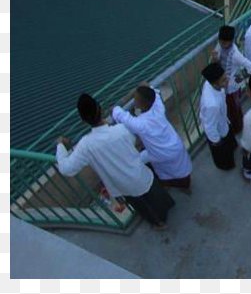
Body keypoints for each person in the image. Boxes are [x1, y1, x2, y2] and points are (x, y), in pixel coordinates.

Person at [56, 94, 175, 229]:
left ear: (84, 121)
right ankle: (167, 206)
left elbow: (66, 168)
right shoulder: (121, 130)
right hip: (141, 174)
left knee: (144, 207)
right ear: (100, 109)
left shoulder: (85, 145)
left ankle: (159, 224)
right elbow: (133, 141)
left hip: (122, 186)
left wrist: (60, 145)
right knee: (156, 194)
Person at [112, 85, 193, 192]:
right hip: (175, 147)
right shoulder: (159, 108)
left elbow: (118, 113)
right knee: (181, 170)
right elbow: (154, 92)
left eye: (135, 99)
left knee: (135, 162)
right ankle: (185, 187)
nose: (134, 101)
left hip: (159, 154)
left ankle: (161, 185)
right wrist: (144, 88)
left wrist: (128, 96)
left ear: (142, 104)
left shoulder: (140, 124)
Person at [214, 24, 251, 135]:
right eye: (221, 41)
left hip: (231, 89)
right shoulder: (219, 46)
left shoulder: (236, 55)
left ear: (231, 41)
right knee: (229, 109)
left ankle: (238, 128)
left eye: (225, 42)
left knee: (234, 110)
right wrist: (215, 60)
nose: (222, 44)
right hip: (223, 86)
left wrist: (237, 79)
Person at [199, 62, 237, 170]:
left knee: (229, 141)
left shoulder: (210, 83)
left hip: (223, 121)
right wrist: (216, 142)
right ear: (215, 83)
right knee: (223, 155)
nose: (227, 80)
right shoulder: (212, 104)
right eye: (224, 80)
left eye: (226, 77)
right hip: (218, 131)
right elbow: (209, 126)